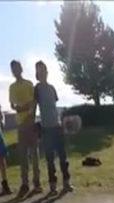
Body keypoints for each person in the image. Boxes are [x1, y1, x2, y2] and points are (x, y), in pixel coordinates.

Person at [34, 61, 73, 195]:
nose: (42, 72)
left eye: (44, 70)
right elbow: (34, 107)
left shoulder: (52, 88)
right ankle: (52, 186)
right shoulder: (37, 88)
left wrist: (61, 122)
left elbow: (54, 107)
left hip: (57, 126)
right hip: (46, 127)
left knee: (63, 156)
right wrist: (35, 125)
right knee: (50, 159)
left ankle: (66, 183)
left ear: (47, 71)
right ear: (37, 74)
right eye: (39, 71)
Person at [9, 60, 42, 197]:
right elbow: (13, 104)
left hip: (30, 121)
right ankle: (25, 184)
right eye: (13, 69)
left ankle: (37, 183)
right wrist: (20, 107)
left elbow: (34, 103)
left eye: (17, 67)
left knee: (34, 154)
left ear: (21, 68)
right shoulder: (12, 87)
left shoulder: (29, 84)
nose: (15, 70)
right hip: (20, 124)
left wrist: (30, 115)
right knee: (23, 156)